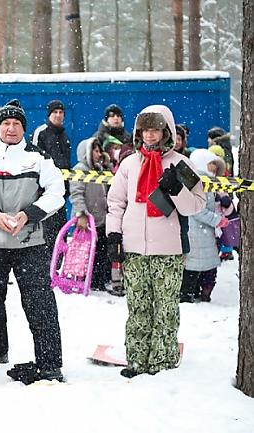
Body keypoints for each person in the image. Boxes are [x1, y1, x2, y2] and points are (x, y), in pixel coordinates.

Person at [0, 99, 66, 382]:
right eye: (6, 123)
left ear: (23, 128)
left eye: (16, 124)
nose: (10, 128)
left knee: (39, 301)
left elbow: (57, 192)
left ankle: (50, 362)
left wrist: (28, 215)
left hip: (30, 241)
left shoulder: (40, 157)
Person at [106, 105, 205, 378]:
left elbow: (196, 205)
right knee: (137, 306)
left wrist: (175, 189)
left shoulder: (181, 164)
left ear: (167, 132)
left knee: (165, 309)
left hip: (168, 251)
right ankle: (136, 361)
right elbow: (115, 203)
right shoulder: (128, 164)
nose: (150, 135)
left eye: (155, 129)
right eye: (145, 129)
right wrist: (114, 236)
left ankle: (162, 363)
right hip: (134, 249)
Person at [180, 149, 227, 303]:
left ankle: (194, 292)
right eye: (211, 163)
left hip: (202, 232)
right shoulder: (198, 181)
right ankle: (188, 294)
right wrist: (216, 220)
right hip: (196, 232)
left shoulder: (203, 180)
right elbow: (197, 209)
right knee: (194, 265)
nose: (214, 167)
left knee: (199, 264)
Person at [70, 137, 113, 292]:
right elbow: (76, 194)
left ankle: (99, 280)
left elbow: (110, 185)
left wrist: (107, 164)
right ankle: (86, 279)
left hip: (101, 220)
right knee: (86, 253)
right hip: (87, 221)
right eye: (95, 151)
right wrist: (81, 214)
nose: (98, 154)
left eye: (100, 150)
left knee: (101, 252)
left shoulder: (99, 169)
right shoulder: (80, 168)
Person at [32, 99, 70, 250]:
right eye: (55, 112)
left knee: (60, 234)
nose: (58, 115)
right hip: (44, 194)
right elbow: (33, 159)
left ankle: (57, 266)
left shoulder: (64, 135)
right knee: (45, 236)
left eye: (61, 112)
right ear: (49, 114)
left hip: (60, 194)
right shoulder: (41, 132)